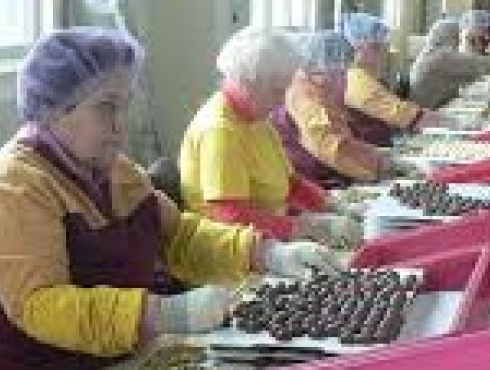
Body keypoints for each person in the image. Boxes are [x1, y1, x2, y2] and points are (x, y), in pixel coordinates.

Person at [0, 27, 340, 370]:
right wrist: (161, 313)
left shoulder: (115, 170)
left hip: (109, 364)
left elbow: (181, 235)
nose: (120, 126)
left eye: (124, 107)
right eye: (105, 108)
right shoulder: (10, 189)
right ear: (54, 108)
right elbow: (42, 306)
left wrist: (265, 252)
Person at [178, 26, 361, 247]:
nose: (283, 100)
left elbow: (291, 184)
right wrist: (301, 228)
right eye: (277, 91)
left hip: (270, 236)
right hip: (231, 251)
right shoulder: (220, 130)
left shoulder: (257, 119)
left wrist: (331, 205)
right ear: (246, 83)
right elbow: (230, 214)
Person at [270, 30, 393, 188]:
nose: (344, 80)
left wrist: (377, 154)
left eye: (344, 72)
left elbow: (343, 136)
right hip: (314, 184)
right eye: (339, 73)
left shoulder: (319, 91)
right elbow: (331, 146)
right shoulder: (306, 100)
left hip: (329, 176)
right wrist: (380, 166)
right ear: (318, 71)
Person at [340, 12, 447, 145]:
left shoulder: (363, 75)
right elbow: (399, 113)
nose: (380, 54)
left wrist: (435, 116)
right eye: (375, 47)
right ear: (357, 48)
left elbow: (398, 107)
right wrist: (448, 122)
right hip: (372, 146)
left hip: (380, 140)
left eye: (380, 47)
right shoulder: (355, 79)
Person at [410, 18, 490, 109]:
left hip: (427, 107)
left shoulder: (430, 54)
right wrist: (474, 43)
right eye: (458, 37)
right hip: (429, 110)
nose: (459, 41)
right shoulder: (442, 57)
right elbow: (487, 65)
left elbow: (472, 72)